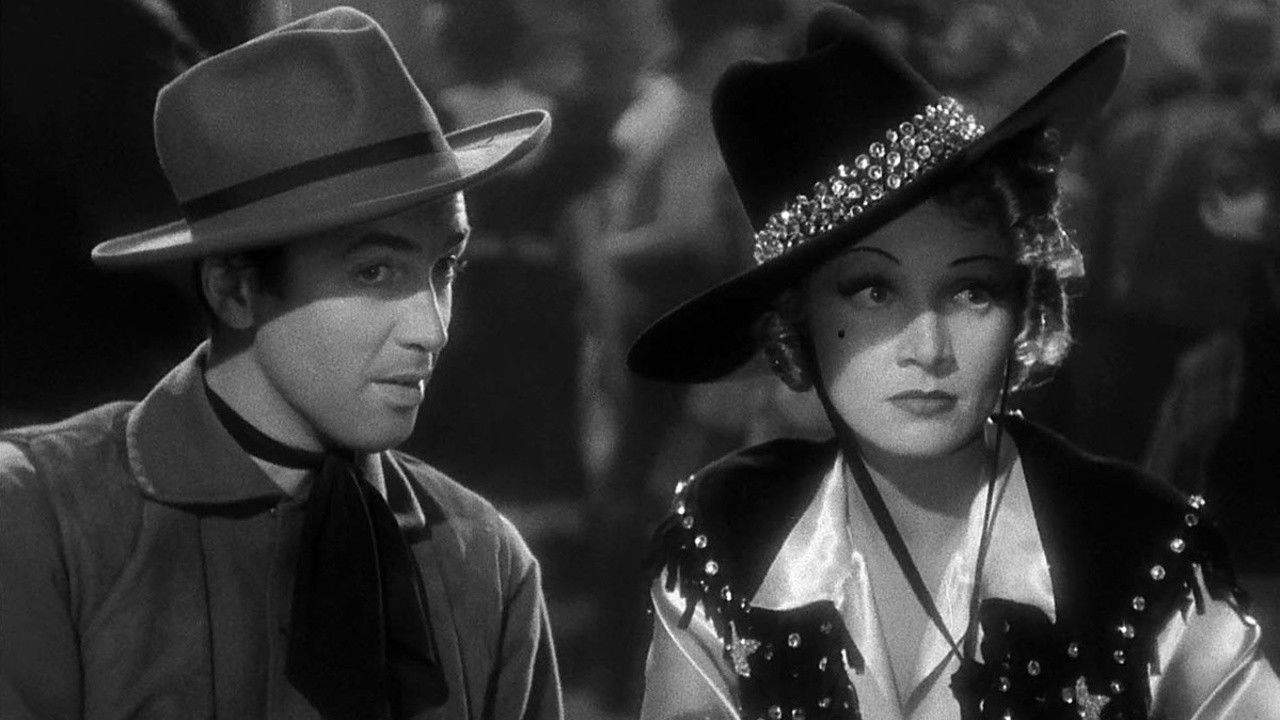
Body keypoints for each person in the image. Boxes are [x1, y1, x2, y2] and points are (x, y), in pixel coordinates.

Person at [627, 6, 1280, 719]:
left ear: (1024, 304)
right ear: (797, 322)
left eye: (973, 292)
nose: (930, 348)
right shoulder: (732, 537)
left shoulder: (1135, 546)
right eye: (873, 292)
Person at [0, 8, 561, 720]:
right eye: (374, 272)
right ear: (235, 290)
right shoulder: (42, 519)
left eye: (444, 267)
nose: (432, 328)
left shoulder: (485, 560)